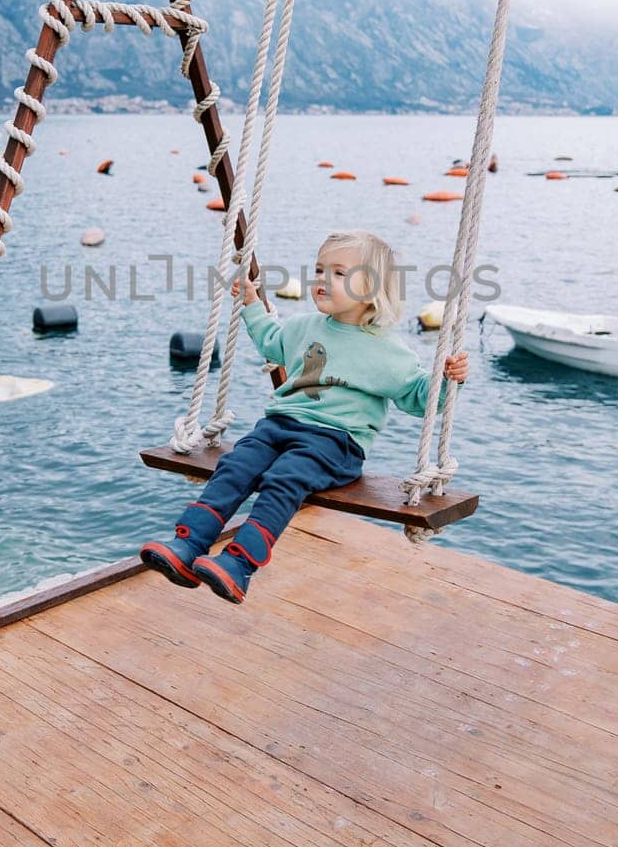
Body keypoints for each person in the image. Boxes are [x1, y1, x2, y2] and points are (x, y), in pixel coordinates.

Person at [141, 228, 469, 605]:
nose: (322, 280)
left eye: (339, 273)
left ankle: (240, 563)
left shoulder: (388, 352)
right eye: (318, 270)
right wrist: (251, 303)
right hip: (278, 425)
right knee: (235, 466)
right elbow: (271, 340)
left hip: (336, 443)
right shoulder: (303, 327)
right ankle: (188, 545)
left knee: (284, 477)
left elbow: (419, 399)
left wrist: (447, 380)